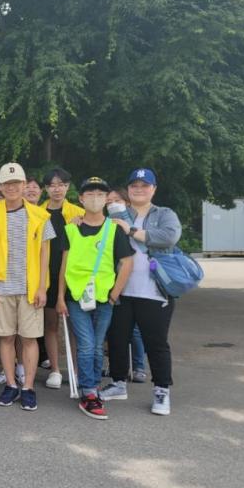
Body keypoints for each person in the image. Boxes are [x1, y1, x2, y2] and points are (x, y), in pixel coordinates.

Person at [103, 168, 181, 416]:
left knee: (155, 343)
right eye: (134, 185)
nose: (139, 189)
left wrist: (132, 231)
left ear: (153, 189)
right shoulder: (120, 212)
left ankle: (161, 390)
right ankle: (117, 383)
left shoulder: (164, 214)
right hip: (123, 290)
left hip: (155, 291)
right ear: (128, 190)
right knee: (116, 339)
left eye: (144, 185)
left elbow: (169, 237)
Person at [56, 177, 134, 420]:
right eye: (90, 194)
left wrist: (114, 294)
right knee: (87, 344)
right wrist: (59, 297)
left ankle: (94, 386)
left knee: (98, 346)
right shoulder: (71, 228)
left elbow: (127, 262)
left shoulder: (114, 229)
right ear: (81, 199)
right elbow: (63, 265)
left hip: (103, 299)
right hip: (76, 297)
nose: (95, 198)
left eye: (100, 194)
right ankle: (88, 392)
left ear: (106, 199)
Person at [0, 162, 55, 411]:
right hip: (2, 287)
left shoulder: (40, 215)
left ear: (24, 185)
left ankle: (28, 387)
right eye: (7, 183)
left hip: (30, 288)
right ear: (1, 187)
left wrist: (42, 287)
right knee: (5, 337)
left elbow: (46, 253)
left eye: (17, 183)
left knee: (29, 338)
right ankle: (11, 384)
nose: (12, 187)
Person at [39, 167, 85, 389]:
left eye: (61, 184)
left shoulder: (78, 213)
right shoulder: (37, 212)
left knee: (75, 325)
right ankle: (55, 370)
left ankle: (77, 370)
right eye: (52, 185)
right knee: (50, 324)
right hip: (46, 274)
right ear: (46, 188)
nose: (57, 189)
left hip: (72, 275)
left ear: (67, 186)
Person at [107, 188, 146, 382]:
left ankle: (139, 366)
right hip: (115, 279)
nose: (113, 204)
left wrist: (125, 225)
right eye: (109, 201)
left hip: (136, 280)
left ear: (126, 202)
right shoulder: (106, 223)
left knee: (135, 329)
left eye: (117, 200)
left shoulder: (133, 222)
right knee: (116, 328)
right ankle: (117, 369)